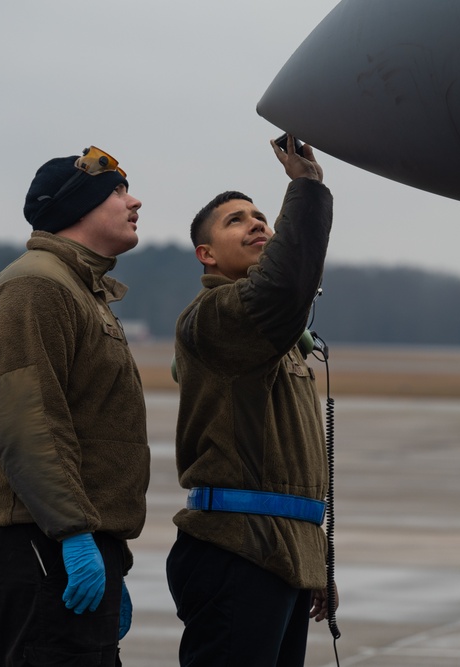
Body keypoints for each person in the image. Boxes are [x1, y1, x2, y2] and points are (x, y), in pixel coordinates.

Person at [0, 146, 151, 667]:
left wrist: (107, 552)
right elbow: (28, 425)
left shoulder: (77, 289)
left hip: (63, 542)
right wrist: (74, 536)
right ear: (77, 208)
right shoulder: (36, 287)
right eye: (116, 191)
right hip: (40, 545)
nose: (135, 202)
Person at [165, 134, 336, 667]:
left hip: (281, 553)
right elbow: (281, 291)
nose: (257, 223)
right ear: (207, 254)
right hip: (237, 551)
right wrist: (304, 192)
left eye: (261, 216)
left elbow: (289, 472)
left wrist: (316, 564)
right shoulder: (216, 317)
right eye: (236, 220)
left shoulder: (276, 341)